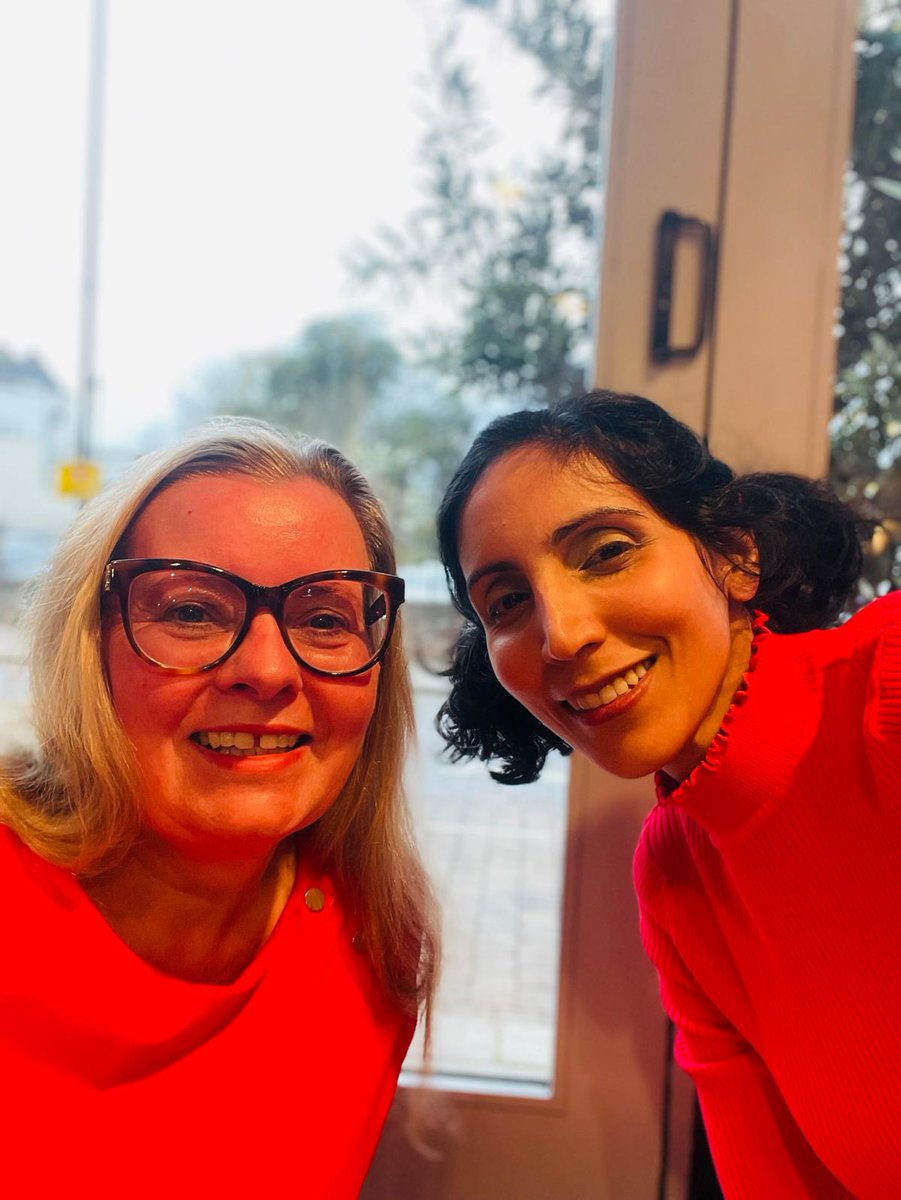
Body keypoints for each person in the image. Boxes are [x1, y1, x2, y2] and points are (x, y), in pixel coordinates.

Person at [436, 390, 900, 1199]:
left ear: (734, 555)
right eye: (507, 602)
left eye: (606, 552)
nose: (562, 634)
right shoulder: (674, 876)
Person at [0, 418, 438, 1199]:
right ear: (88, 646)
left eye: (325, 620)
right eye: (192, 612)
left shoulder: (373, 940)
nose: (266, 671)